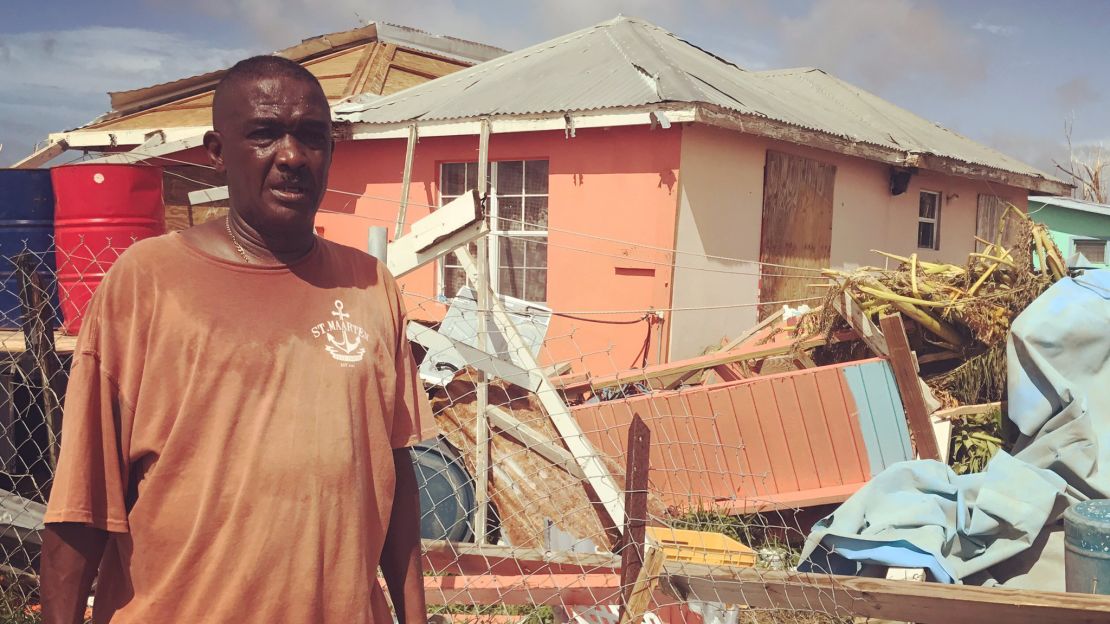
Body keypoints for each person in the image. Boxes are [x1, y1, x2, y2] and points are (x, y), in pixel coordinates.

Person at [39, 55, 435, 624]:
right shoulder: (147, 283)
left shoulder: (372, 288)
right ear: (216, 151)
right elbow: (81, 505)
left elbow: (395, 481)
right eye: (265, 134)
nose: (292, 157)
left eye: (312, 137)